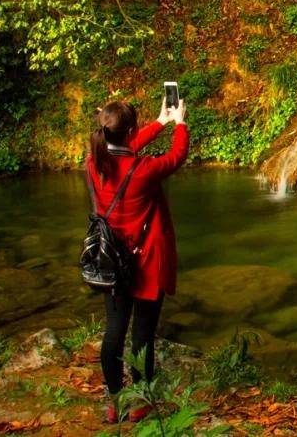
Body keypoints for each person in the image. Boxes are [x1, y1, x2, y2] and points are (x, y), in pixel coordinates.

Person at [86, 98, 188, 423]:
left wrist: (159, 122)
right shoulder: (143, 170)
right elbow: (177, 156)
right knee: (143, 333)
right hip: (145, 261)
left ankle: (114, 400)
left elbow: (124, 147)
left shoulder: (94, 162)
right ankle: (141, 401)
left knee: (114, 330)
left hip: (111, 261)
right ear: (130, 131)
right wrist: (180, 123)